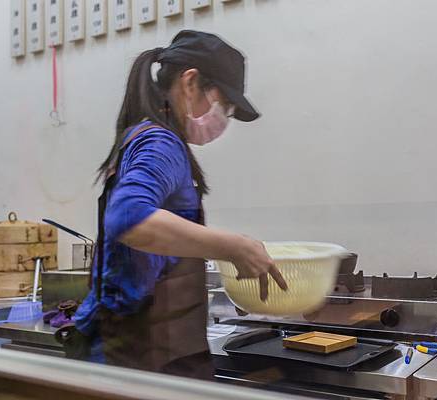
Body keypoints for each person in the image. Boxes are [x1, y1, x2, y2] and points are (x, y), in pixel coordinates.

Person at [72, 30, 287, 379]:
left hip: (135, 352)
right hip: (138, 362)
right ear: (190, 84)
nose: (225, 117)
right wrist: (235, 247)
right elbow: (128, 218)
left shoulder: (145, 134)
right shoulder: (160, 142)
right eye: (224, 105)